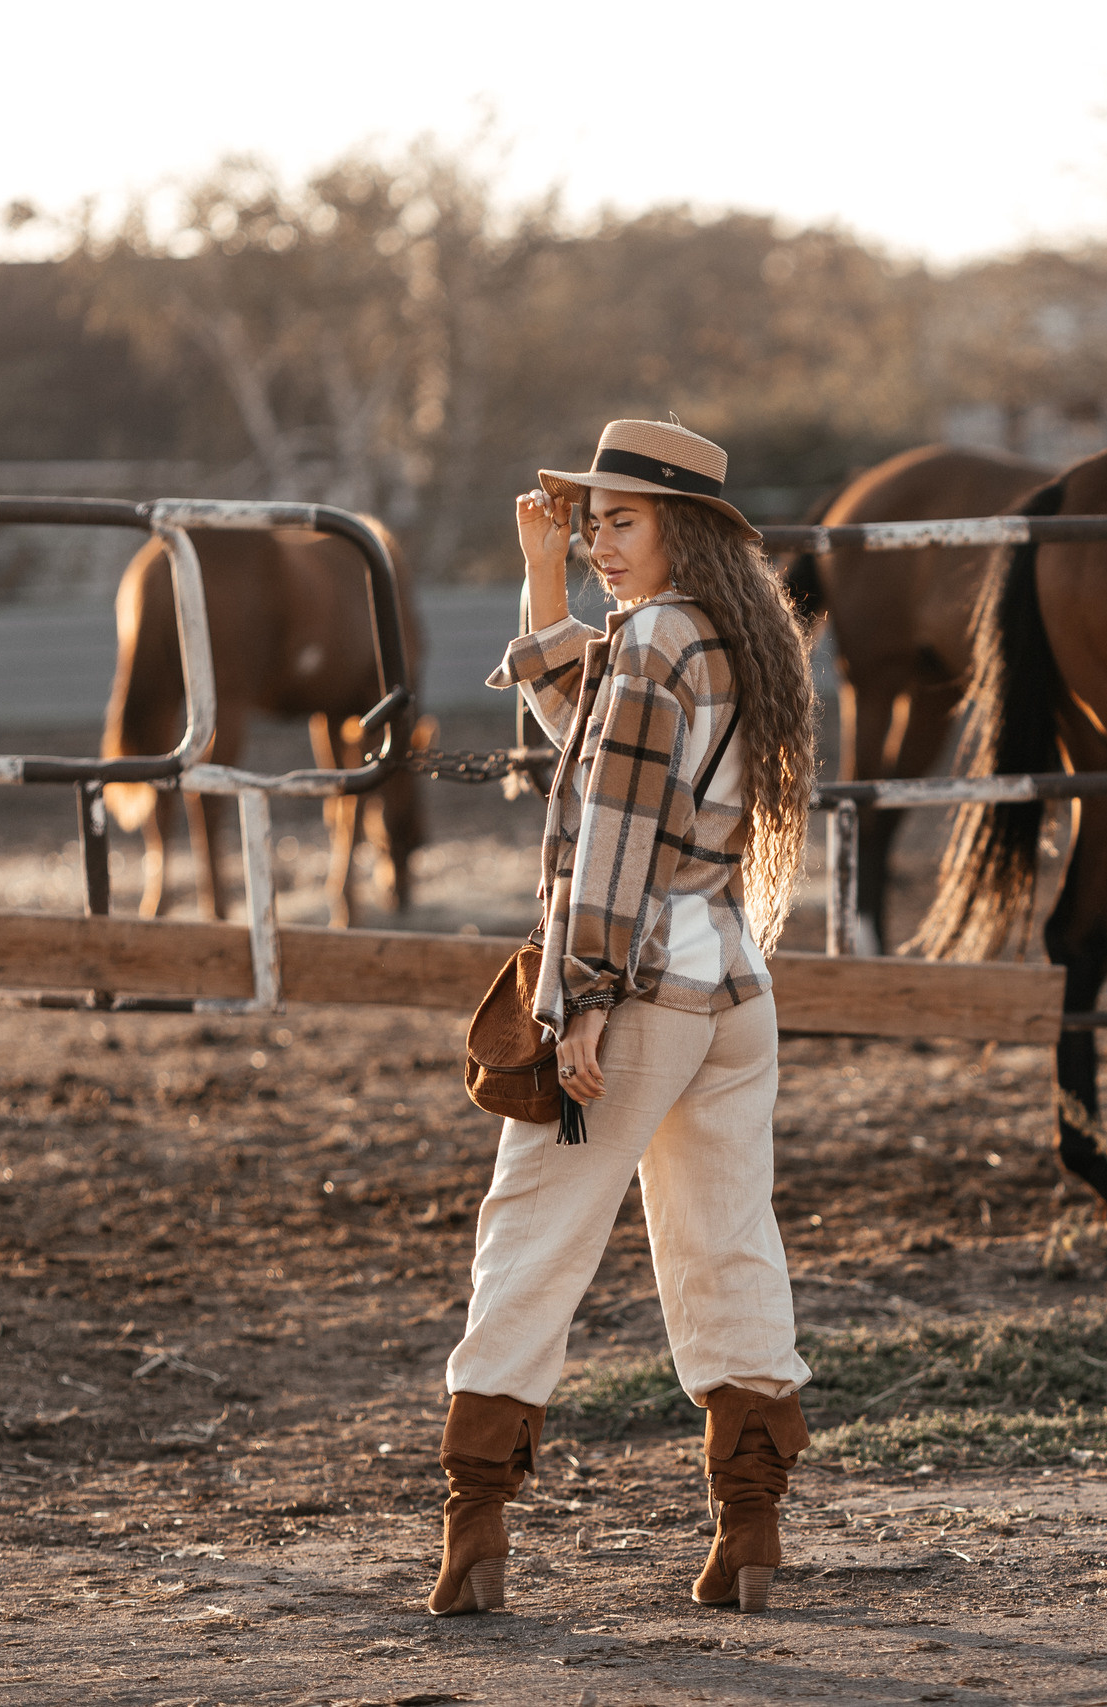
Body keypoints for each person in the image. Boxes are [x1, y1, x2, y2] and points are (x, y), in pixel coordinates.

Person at [428, 419, 818, 1618]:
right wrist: (543, 578)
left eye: (621, 521)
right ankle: (748, 1536)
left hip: (641, 988)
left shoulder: (649, 639)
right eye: (590, 521)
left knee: (532, 1234)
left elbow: (608, 834)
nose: (599, 540)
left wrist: (583, 1000)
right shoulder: (724, 637)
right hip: (731, 990)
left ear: (681, 529)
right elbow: (589, 741)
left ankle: (474, 1531)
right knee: (725, 1243)